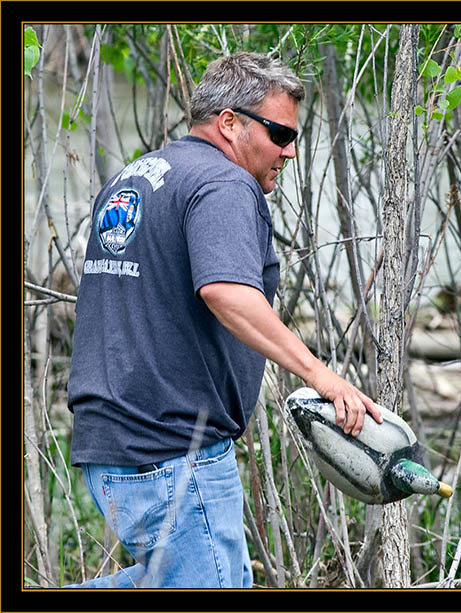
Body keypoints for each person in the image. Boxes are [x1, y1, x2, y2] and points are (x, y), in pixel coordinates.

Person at [65, 52, 382, 589]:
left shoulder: (138, 176)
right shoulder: (223, 183)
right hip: (170, 453)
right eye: (280, 132)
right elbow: (227, 292)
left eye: (294, 136)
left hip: (109, 447)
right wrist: (322, 376)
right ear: (230, 123)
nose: (290, 151)